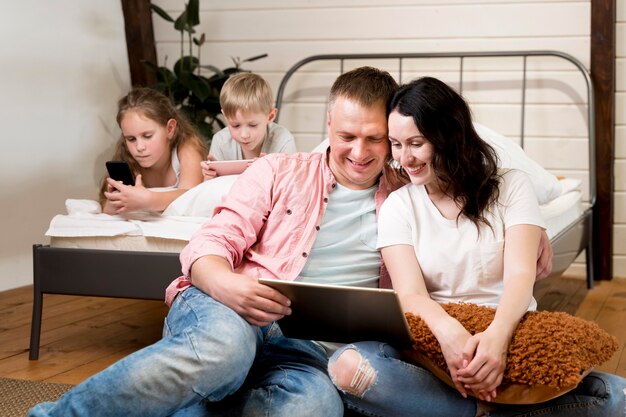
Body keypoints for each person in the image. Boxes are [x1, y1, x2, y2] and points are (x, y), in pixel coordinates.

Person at [28, 68, 552, 417]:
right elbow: (206, 244)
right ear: (329, 125)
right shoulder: (278, 170)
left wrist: (535, 231)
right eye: (347, 136)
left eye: (376, 139)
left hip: (309, 348)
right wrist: (227, 286)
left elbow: (473, 187)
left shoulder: (405, 194)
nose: (360, 152)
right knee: (225, 349)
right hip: (229, 310)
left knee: (315, 409)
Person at [327, 77, 626, 416]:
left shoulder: (512, 186)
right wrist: (449, 334)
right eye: (396, 144)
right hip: (435, 347)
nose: (404, 158)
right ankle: (482, 411)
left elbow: (520, 276)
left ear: (449, 136)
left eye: (416, 143)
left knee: (619, 396)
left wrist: (497, 338)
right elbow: (410, 294)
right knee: (346, 366)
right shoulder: (399, 205)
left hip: (510, 333)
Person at [100, 87, 207, 214]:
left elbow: (192, 195)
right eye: (131, 139)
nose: (139, 147)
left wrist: (149, 200)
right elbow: (105, 209)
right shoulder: (127, 158)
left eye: (147, 136)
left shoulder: (187, 148)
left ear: (170, 129)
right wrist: (114, 204)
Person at [201, 72, 296, 180]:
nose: (244, 135)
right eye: (235, 125)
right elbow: (210, 192)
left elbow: (290, 188)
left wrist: (269, 175)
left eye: (253, 125)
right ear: (226, 117)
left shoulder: (283, 140)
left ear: (270, 116)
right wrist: (211, 178)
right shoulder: (221, 141)